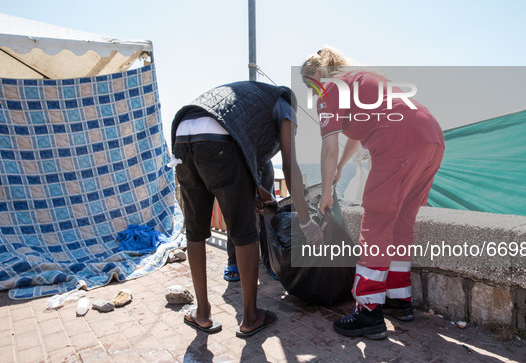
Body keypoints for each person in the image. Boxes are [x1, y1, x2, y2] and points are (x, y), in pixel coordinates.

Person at [301, 47, 445, 339]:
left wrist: (327, 191)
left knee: (377, 221)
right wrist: (342, 167)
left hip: (399, 142)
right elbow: (356, 137)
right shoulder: (361, 78)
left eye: (308, 83)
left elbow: (328, 148)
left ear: (318, 74)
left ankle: (368, 311)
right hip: (431, 138)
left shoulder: (330, 89)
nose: (311, 91)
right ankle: (399, 298)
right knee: (402, 221)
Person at [171, 81, 322, 337]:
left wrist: (256, 191)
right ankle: (251, 317)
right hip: (220, 139)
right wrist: (306, 223)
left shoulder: (253, 101)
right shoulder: (286, 107)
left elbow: (243, 152)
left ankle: (202, 314)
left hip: (183, 131)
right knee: (245, 234)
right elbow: (289, 165)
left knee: (195, 232)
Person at [224, 161, 278, 282]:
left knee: (267, 210)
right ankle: (233, 260)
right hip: (237, 161)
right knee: (235, 211)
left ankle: (271, 260)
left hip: (263, 160)